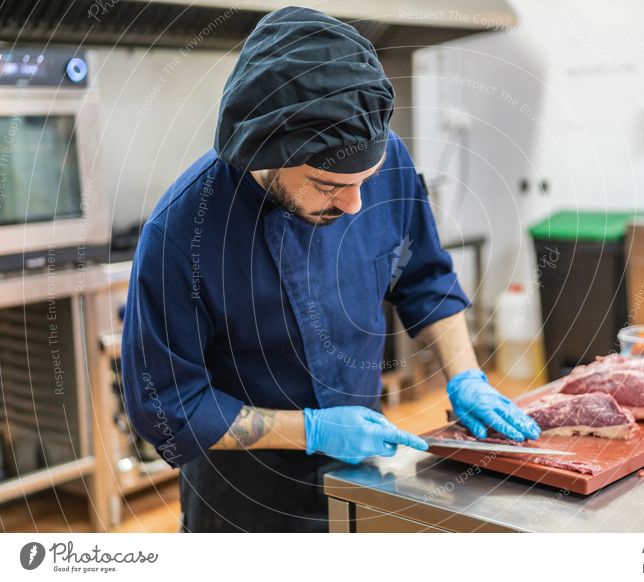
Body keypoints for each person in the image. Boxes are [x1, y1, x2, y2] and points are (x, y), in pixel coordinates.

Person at [121, 6, 540, 533]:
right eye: (328, 186)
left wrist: (467, 375)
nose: (356, 205)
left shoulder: (386, 168)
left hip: (362, 476)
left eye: (366, 179)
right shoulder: (182, 232)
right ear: (263, 151)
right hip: (243, 505)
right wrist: (313, 430)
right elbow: (170, 406)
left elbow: (424, 278)